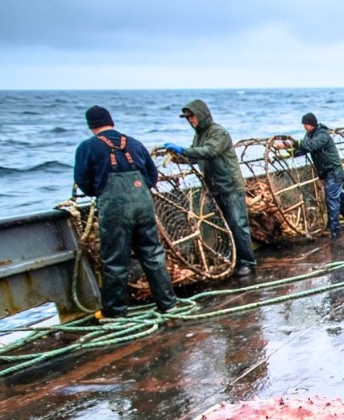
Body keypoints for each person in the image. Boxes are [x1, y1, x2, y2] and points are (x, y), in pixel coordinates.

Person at [74, 105, 178, 318]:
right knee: (153, 254)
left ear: (91, 125)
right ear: (111, 122)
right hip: (143, 204)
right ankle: (168, 304)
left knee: (114, 259)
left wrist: (100, 192)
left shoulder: (88, 147)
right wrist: (139, 189)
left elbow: (82, 180)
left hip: (114, 209)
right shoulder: (134, 143)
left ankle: (116, 312)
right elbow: (152, 173)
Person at [164, 100, 257, 276]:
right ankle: (232, 259)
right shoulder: (198, 136)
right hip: (214, 188)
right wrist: (177, 156)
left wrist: (183, 150)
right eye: (188, 118)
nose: (191, 121)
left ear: (201, 115)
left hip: (230, 186)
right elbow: (195, 156)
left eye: (192, 117)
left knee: (238, 225)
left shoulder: (218, 132)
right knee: (223, 227)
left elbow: (209, 151)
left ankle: (248, 263)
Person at [281, 113, 344, 237]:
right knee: (342, 199)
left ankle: (334, 232)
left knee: (331, 200)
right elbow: (303, 148)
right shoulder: (309, 136)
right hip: (327, 173)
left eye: (305, 124)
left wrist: (295, 142)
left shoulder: (322, 134)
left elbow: (311, 145)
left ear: (311, 124)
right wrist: (288, 152)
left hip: (334, 171)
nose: (304, 127)